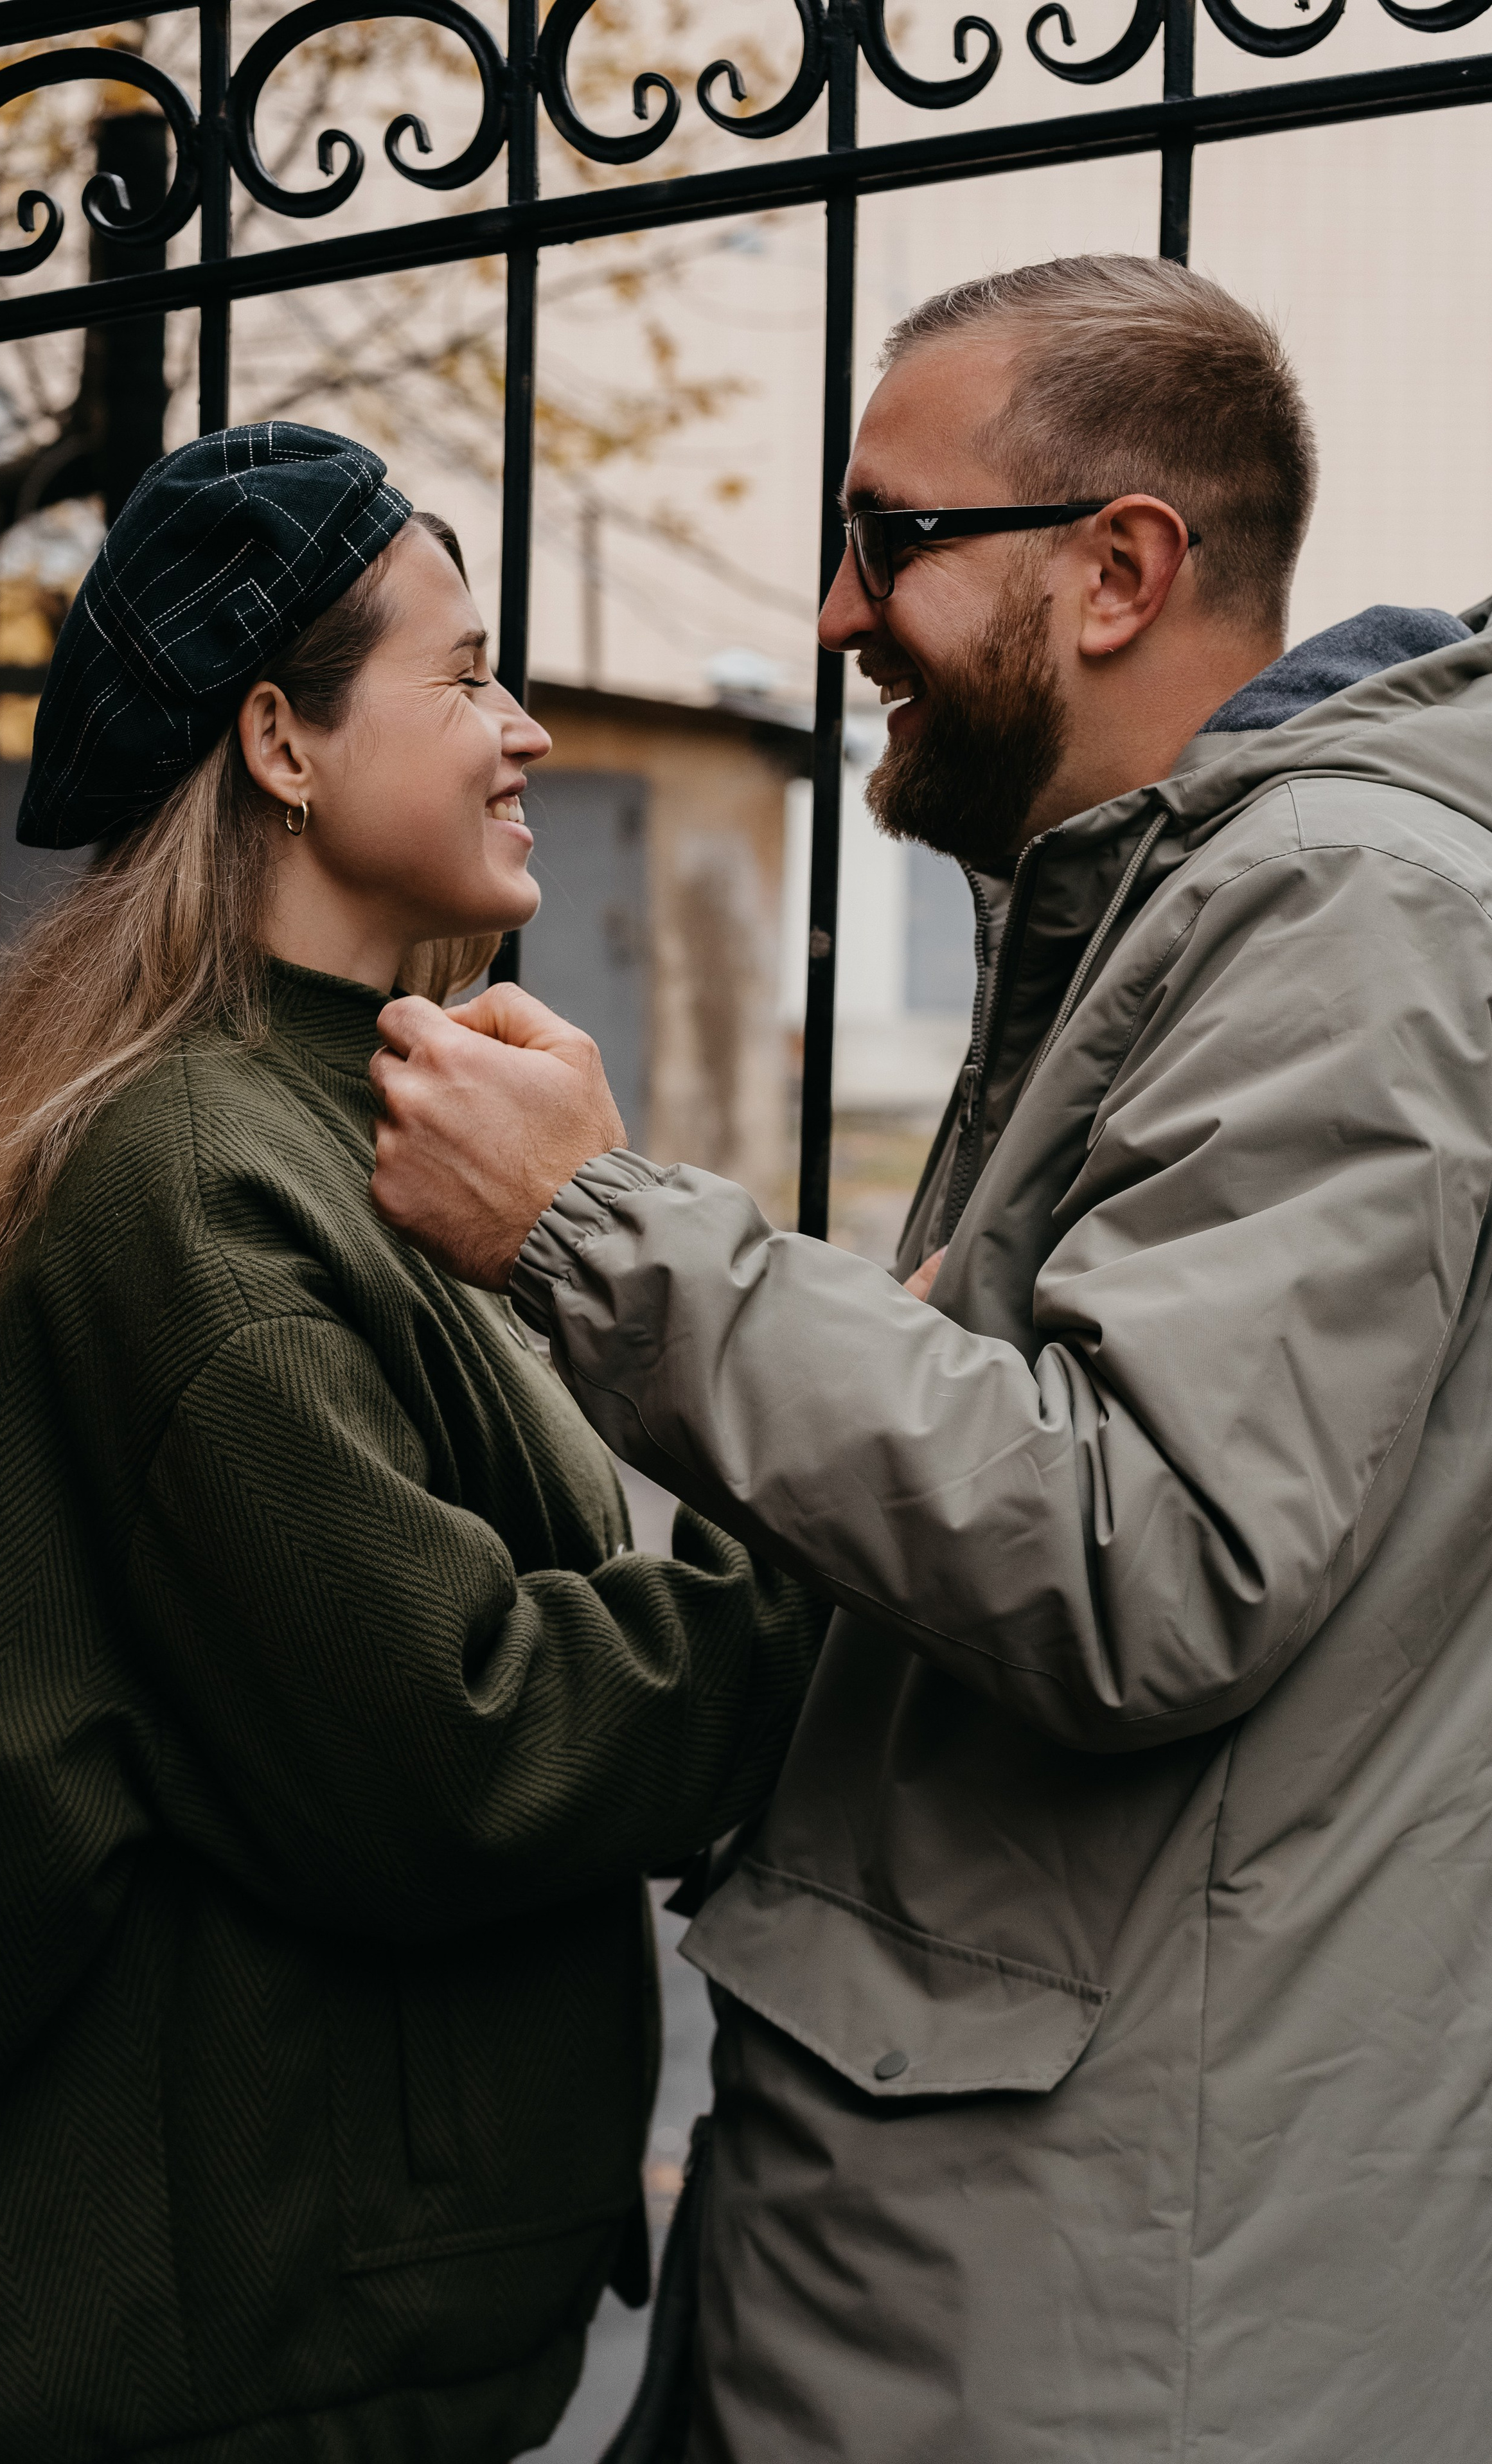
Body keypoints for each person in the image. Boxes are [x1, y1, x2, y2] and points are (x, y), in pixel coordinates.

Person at [366, 257, 1492, 2463]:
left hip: (1094, 2306)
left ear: (1119, 569)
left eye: (891, 536)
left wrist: (599, 1230)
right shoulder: (1158, 904)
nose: (835, 613)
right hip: (976, 2225)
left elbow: (1144, 1546)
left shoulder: (1345, 913)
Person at [0, 423, 826, 2464]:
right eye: (465, 674)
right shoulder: (203, 1177)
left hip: (325, 2319)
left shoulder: (357, 1130)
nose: (529, 728)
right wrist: (847, 1542)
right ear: (282, 743)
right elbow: (467, 1737)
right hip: (213, 2365)